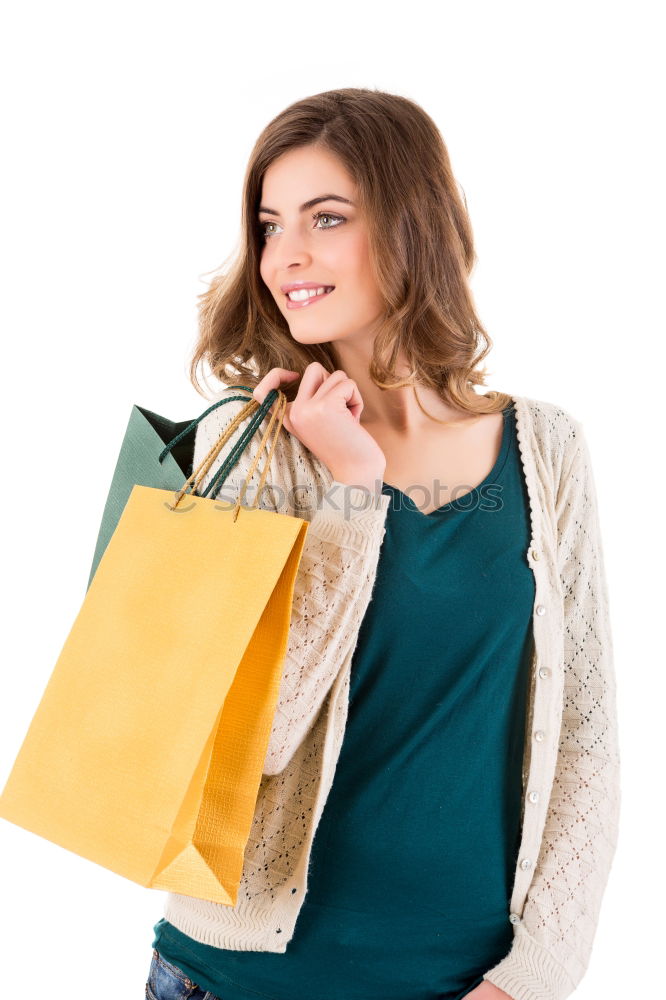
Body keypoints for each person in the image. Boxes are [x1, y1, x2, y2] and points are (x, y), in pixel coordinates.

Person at [145, 87, 621, 1000]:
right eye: (270, 224)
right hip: (235, 981)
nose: (288, 255)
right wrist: (353, 493)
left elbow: (589, 737)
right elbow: (251, 738)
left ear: (413, 227)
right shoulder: (246, 450)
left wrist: (538, 975)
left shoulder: (546, 448)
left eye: (326, 218)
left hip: (468, 981)